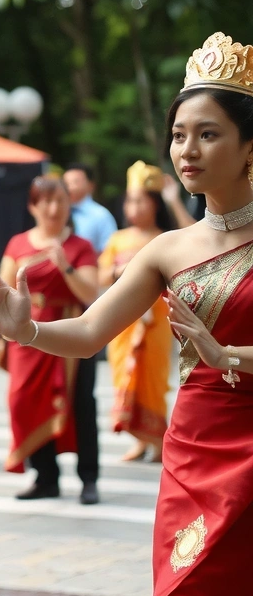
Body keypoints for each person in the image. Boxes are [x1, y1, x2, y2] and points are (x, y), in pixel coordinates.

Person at [0, 31, 253, 596]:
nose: (186, 150)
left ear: (249, 146)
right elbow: (90, 333)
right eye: (179, 135)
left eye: (208, 133)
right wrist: (22, 326)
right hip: (194, 458)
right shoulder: (166, 248)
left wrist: (232, 361)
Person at [0, 176, 100, 504]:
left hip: (73, 330)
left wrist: (64, 266)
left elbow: (91, 293)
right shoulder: (17, 244)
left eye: (60, 201)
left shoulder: (80, 246)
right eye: (46, 201)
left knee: (81, 404)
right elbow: (3, 289)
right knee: (24, 400)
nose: (54, 208)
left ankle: (88, 478)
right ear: (34, 206)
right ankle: (45, 477)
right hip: (29, 333)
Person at [98, 162, 176, 463]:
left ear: (154, 204)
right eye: (130, 200)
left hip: (155, 322)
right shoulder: (117, 239)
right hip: (123, 323)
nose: (135, 207)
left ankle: (157, 441)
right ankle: (139, 439)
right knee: (122, 376)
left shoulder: (166, 238)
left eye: (141, 200)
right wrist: (120, 270)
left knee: (153, 380)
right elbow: (102, 276)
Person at [63, 163, 118, 255]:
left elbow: (109, 252)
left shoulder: (101, 215)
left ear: (91, 185)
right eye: (66, 183)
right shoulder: (58, 213)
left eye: (75, 182)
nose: (70, 187)